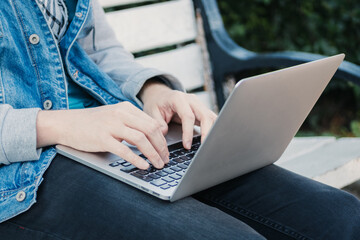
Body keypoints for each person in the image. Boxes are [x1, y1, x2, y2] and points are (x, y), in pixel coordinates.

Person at [0, 0, 359, 239]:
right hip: (23, 171)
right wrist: (61, 125)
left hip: (117, 134)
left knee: (341, 217)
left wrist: (155, 90)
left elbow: (97, 50)